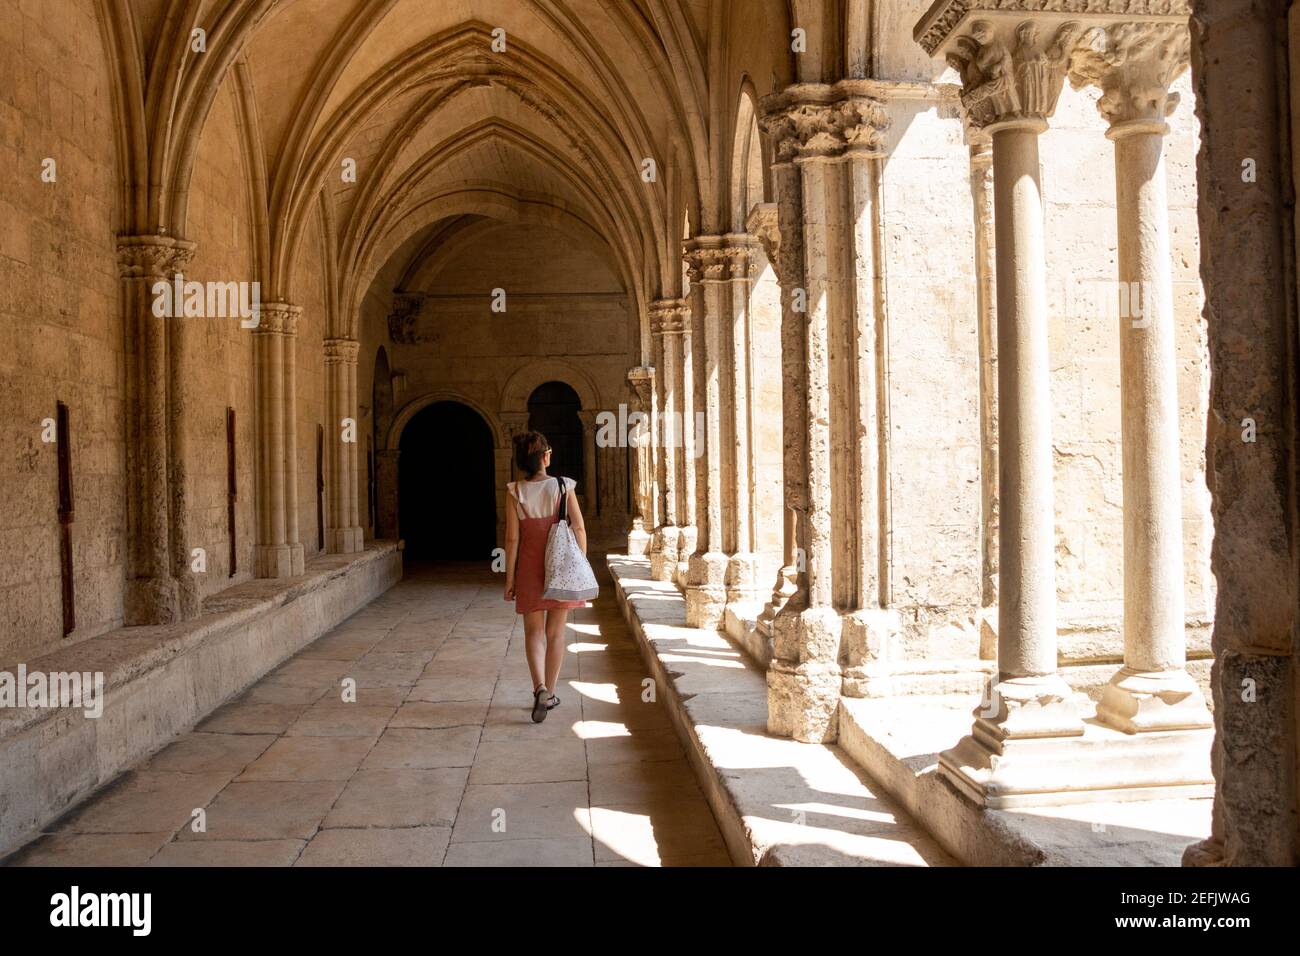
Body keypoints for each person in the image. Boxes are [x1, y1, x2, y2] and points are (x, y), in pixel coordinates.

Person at [503, 430, 588, 723]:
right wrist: (580, 563)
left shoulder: (515, 491)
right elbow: (578, 528)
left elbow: (512, 540)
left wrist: (509, 580)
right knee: (556, 633)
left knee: (533, 632)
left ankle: (538, 687)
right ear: (544, 457)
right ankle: (550, 693)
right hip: (560, 567)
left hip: (528, 567)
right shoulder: (564, 486)